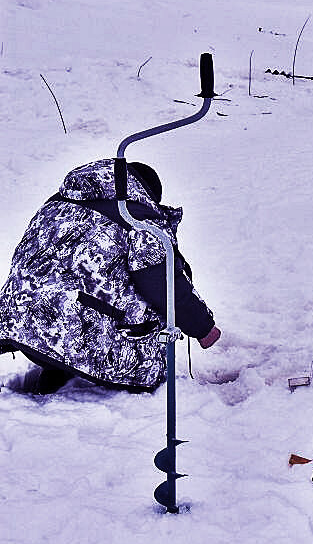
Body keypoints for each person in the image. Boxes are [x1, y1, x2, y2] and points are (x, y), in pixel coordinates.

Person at [0, 160, 221, 394]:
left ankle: (55, 372)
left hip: (16, 318)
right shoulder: (138, 220)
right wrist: (202, 327)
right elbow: (162, 282)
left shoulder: (57, 204)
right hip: (75, 331)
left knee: (81, 287)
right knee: (134, 313)